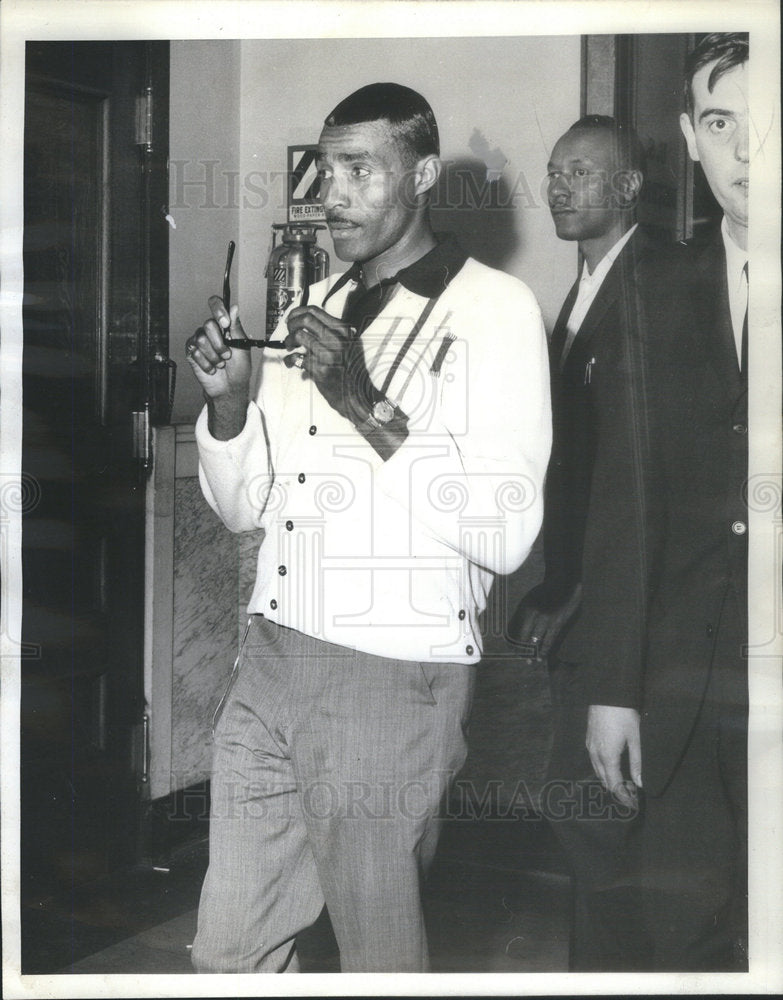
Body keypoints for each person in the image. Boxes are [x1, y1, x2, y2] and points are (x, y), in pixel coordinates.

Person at [184, 82, 551, 973]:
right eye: (325, 170)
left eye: (360, 170)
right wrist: (229, 409)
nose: (332, 195)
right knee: (227, 952)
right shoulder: (311, 303)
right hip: (270, 657)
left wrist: (363, 403)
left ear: (421, 176)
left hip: (390, 675)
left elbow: (506, 532)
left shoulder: (495, 309)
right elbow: (246, 507)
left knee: (377, 955)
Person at [571, 33, 750, 969]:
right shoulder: (654, 288)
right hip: (681, 693)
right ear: (688, 138)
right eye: (720, 124)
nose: (747, 151)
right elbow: (623, 507)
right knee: (683, 941)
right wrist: (613, 688)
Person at [509, 115, 660, 969]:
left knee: (597, 815)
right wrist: (555, 578)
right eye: (552, 171)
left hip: (624, 613)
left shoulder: (652, 288)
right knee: (587, 815)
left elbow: (635, 484)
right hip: (584, 598)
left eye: (580, 172)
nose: (558, 187)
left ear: (628, 187)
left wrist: (576, 589)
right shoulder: (584, 290)